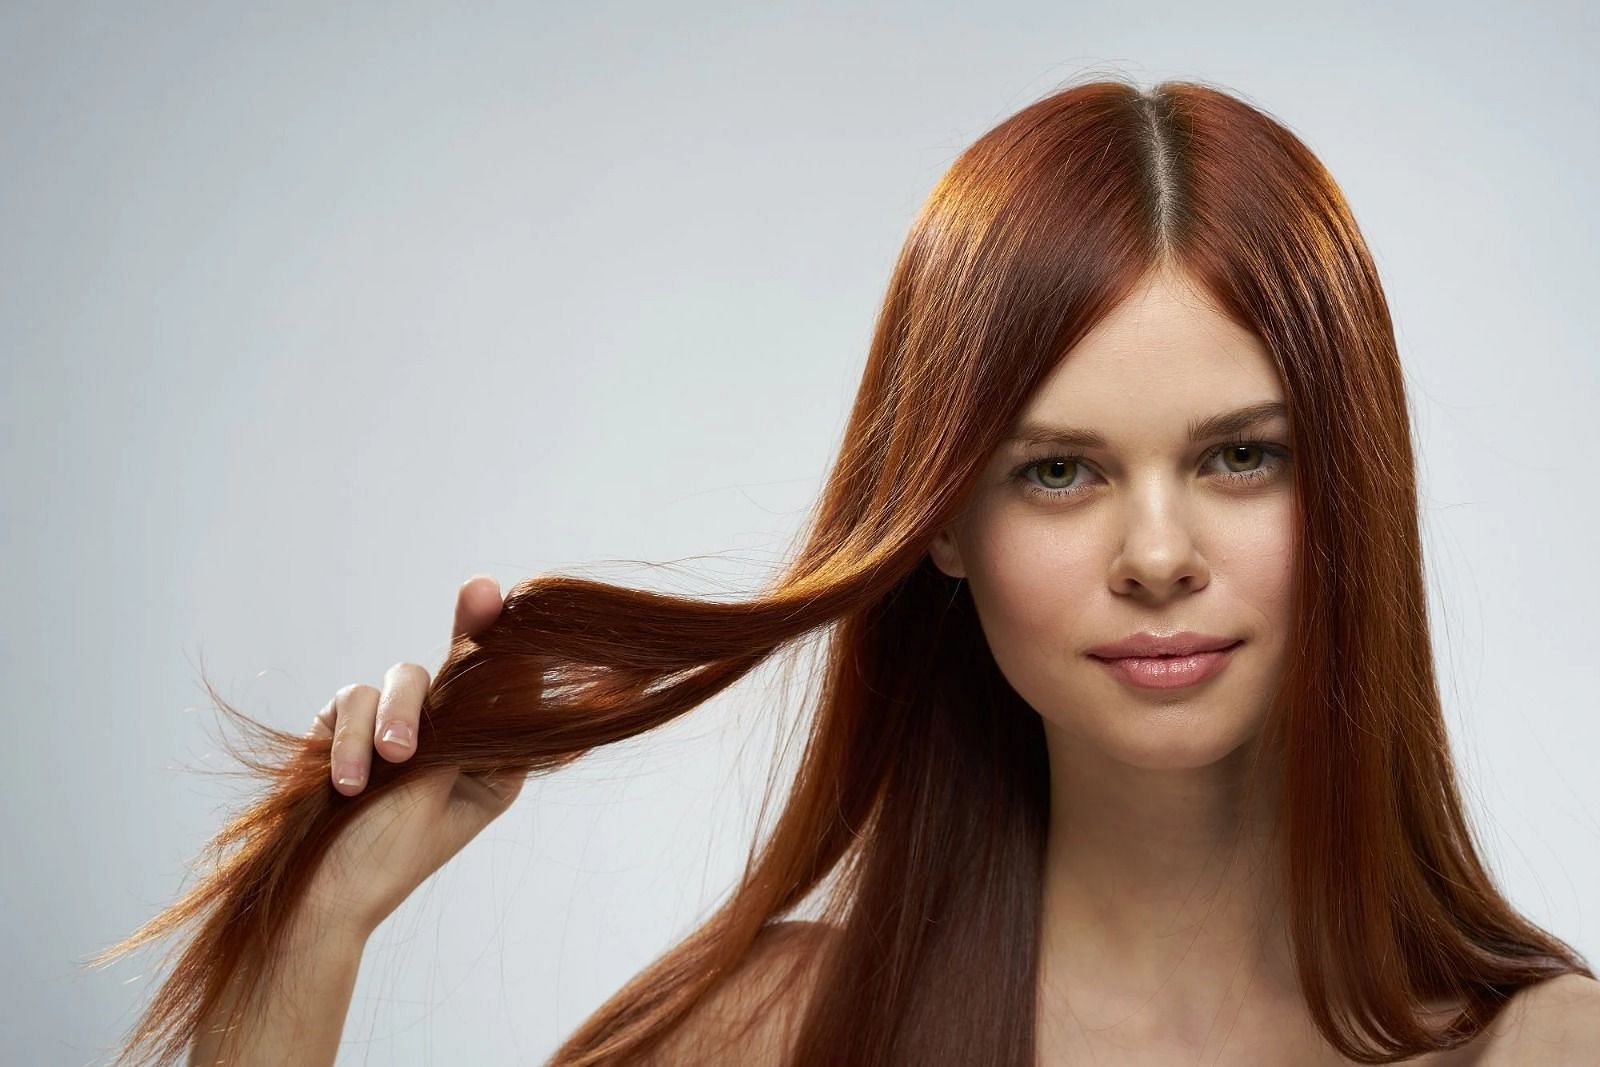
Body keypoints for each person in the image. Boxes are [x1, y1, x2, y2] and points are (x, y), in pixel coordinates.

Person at [96, 76, 1599, 1066]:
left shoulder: (1538, 1050)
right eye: (1057, 470)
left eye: (1239, 457)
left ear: (1349, 490)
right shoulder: (760, 1037)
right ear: (942, 517)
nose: (1158, 557)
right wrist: (310, 934)